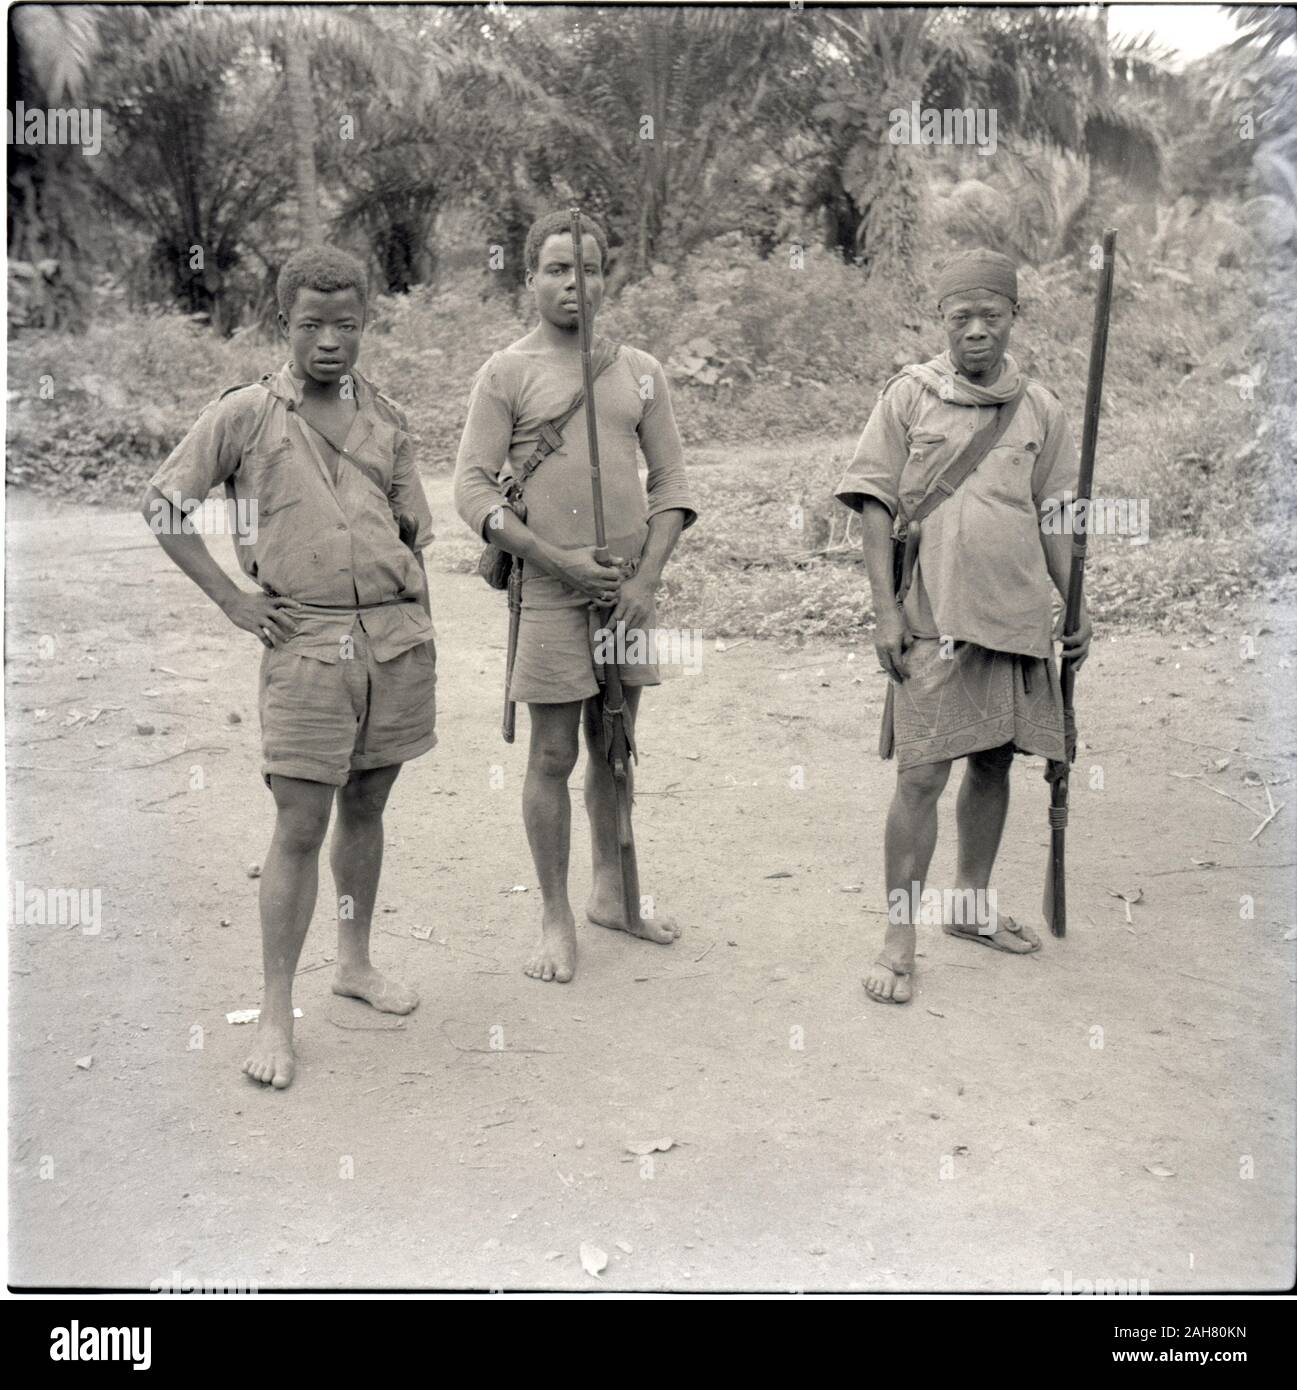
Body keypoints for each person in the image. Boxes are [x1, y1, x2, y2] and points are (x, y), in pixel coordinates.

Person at [140, 245, 437, 1086]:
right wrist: (234, 601)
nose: (330, 342)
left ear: (366, 325)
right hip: (304, 644)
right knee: (300, 825)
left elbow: (413, 530)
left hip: (393, 640)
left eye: (346, 325)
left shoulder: (389, 418)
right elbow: (163, 504)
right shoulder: (245, 414)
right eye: (312, 325)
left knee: (369, 806)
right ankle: (276, 1010)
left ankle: (354, 963)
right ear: (285, 324)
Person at [833, 248, 1092, 1005]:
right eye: (960, 318)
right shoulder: (908, 397)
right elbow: (874, 504)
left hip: (1013, 615)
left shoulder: (1040, 407)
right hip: (930, 615)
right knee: (919, 775)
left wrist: (1074, 605)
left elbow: (1054, 516)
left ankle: (969, 908)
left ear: (1014, 317)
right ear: (940, 321)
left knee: (991, 763)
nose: (975, 332)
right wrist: (883, 610)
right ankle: (897, 936)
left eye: (990, 316)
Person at [454, 211, 697, 984]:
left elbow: (673, 486)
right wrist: (553, 559)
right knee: (553, 752)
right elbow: (470, 491)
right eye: (557, 269)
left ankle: (615, 895)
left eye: (588, 269)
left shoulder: (640, 371)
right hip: (551, 595)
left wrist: (645, 579)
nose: (573, 284)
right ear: (530, 277)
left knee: (616, 752)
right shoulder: (507, 373)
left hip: (625, 597)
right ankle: (556, 919)